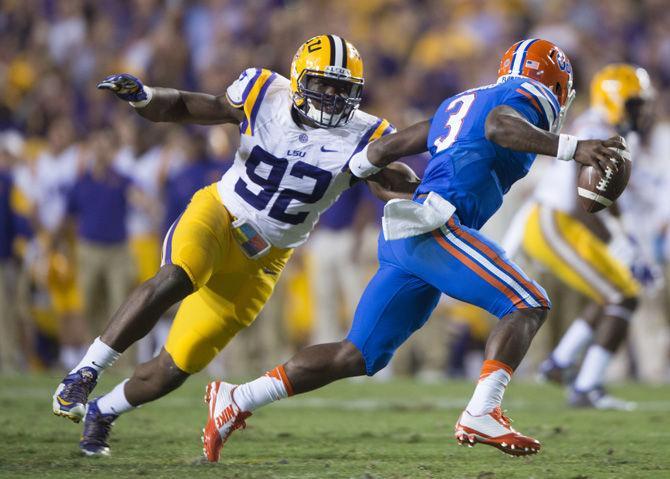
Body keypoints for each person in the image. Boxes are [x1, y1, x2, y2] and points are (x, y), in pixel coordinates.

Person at [202, 39, 625, 460]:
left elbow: (382, 150)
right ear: (557, 85)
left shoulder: (463, 100)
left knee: (356, 355)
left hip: (411, 231)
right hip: (434, 227)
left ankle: (238, 397)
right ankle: (482, 411)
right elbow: (499, 125)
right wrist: (575, 148)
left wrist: (368, 171)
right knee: (528, 301)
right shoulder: (522, 98)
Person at [51, 34, 418, 457]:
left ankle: (102, 411)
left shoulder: (366, 132)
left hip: (264, 258)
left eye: (343, 89)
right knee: (179, 275)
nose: (333, 97)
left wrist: (417, 187)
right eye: (323, 84)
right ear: (299, 78)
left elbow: (390, 181)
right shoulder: (264, 92)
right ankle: (85, 371)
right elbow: (190, 106)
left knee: (177, 365)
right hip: (221, 214)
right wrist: (145, 96)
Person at [522, 64, 655, 409]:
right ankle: (585, 387)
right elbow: (586, 202)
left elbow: (608, 199)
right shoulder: (593, 130)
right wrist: (621, 245)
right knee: (622, 296)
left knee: (616, 292)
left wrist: (629, 241)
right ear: (614, 101)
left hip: (570, 225)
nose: (641, 111)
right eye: (634, 103)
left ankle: (560, 364)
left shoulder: (618, 131)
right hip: (557, 222)